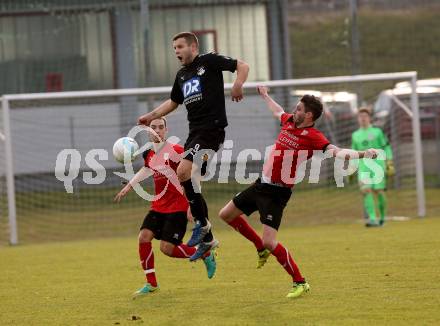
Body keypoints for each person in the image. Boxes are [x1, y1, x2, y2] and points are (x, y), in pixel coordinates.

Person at [219, 86, 379, 298]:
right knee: (226, 215)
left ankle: (300, 282)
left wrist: (364, 154)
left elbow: (339, 153)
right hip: (261, 185)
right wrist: (265, 95)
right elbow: (277, 111)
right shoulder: (288, 121)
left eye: (299, 108)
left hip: (277, 193)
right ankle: (260, 247)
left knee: (270, 240)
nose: (295, 110)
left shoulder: (314, 137)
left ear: (309, 115)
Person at [138, 31, 249, 261]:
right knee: (188, 177)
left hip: (211, 130)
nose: (176, 51)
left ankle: (202, 225)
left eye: (180, 46)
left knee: (182, 171)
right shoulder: (182, 75)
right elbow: (173, 102)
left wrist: (238, 84)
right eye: (174, 48)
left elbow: (242, 65)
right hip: (195, 134)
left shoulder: (208, 61)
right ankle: (207, 237)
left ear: (193, 47)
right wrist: (151, 115)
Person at [114, 118, 217, 298]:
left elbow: (193, 175)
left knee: (167, 249)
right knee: (143, 238)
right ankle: (151, 284)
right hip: (158, 206)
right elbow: (147, 169)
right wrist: (129, 185)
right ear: (148, 131)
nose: (157, 131)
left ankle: (205, 253)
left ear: (166, 130)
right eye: (153, 128)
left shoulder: (177, 151)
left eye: (160, 128)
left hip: (178, 206)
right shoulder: (149, 153)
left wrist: (192, 205)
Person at [351, 107, 394, 227]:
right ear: (358, 119)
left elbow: (386, 147)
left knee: (379, 192)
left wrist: (389, 161)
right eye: (360, 117)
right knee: (366, 191)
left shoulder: (377, 132)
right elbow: (353, 153)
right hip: (364, 166)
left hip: (378, 165)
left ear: (369, 118)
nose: (363, 118)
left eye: (365, 116)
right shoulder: (355, 135)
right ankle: (373, 218)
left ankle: (382, 218)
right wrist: (351, 168)